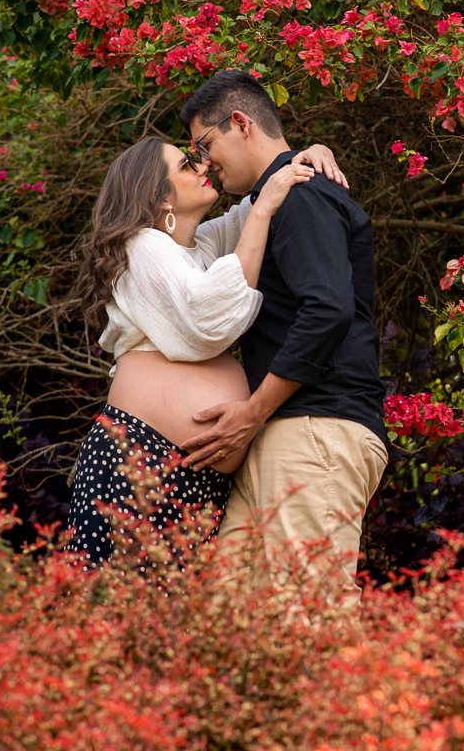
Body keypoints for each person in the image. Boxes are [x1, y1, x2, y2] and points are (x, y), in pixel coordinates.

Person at [64, 134, 344, 567]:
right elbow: (206, 322)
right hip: (138, 460)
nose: (202, 166)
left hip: (189, 477)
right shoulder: (142, 246)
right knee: (120, 614)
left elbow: (251, 208)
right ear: (159, 199)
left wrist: (308, 156)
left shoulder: (195, 248)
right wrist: (265, 207)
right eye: (184, 166)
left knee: (182, 623)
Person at [177, 71, 388, 604]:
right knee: (235, 628)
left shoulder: (301, 195)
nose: (203, 162)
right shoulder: (276, 195)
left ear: (241, 123)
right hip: (284, 435)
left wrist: (252, 410)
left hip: (315, 430)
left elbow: (328, 310)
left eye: (205, 144)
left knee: (312, 618)